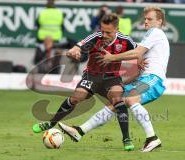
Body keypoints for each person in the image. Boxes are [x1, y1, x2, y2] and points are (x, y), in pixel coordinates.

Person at [58, 6, 170, 152]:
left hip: (154, 78)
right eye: (145, 19)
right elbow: (141, 58)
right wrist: (126, 80)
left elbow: (137, 52)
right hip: (145, 77)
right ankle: (79, 131)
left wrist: (113, 57)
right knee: (115, 103)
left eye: (150, 19)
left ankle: (152, 138)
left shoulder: (156, 32)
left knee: (130, 99)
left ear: (159, 21)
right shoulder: (151, 35)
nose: (146, 22)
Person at [32, 13, 137, 151]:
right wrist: (73, 52)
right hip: (91, 76)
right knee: (76, 97)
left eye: (108, 32)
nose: (104, 34)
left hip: (112, 78)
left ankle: (126, 139)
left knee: (118, 100)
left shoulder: (125, 41)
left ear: (117, 29)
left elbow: (138, 52)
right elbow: (77, 47)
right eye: (102, 30)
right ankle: (51, 124)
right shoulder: (95, 37)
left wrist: (141, 62)